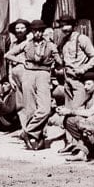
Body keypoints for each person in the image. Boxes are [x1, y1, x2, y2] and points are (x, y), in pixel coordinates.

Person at [17, 20, 61, 150]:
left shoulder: (50, 45)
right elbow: (9, 55)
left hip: (44, 74)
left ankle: (26, 132)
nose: (38, 33)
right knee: (30, 109)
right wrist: (21, 61)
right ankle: (35, 138)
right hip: (29, 74)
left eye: (40, 31)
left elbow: (59, 62)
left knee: (45, 109)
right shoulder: (26, 44)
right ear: (31, 32)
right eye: (35, 31)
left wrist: (56, 56)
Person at [57, 73, 94, 155]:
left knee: (80, 121)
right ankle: (88, 147)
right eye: (84, 84)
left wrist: (70, 111)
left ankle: (90, 149)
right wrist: (64, 110)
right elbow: (81, 110)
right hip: (91, 126)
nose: (85, 87)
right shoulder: (90, 96)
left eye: (89, 84)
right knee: (69, 120)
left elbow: (90, 112)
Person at [57, 18, 94, 108]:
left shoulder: (82, 39)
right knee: (67, 109)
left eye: (67, 25)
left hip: (79, 80)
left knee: (76, 109)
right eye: (61, 26)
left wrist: (82, 69)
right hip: (67, 80)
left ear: (73, 26)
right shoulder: (63, 41)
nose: (64, 28)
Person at [3, 20, 30, 125]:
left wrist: (20, 61)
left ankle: (30, 128)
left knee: (28, 101)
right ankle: (24, 127)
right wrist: (10, 77)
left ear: (27, 30)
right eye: (17, 28)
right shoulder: (13, 44)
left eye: (22, 28)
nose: (19, 31)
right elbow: (9, 61)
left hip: (26, 73)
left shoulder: (29, 42)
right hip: (15, 75)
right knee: (20, 103)